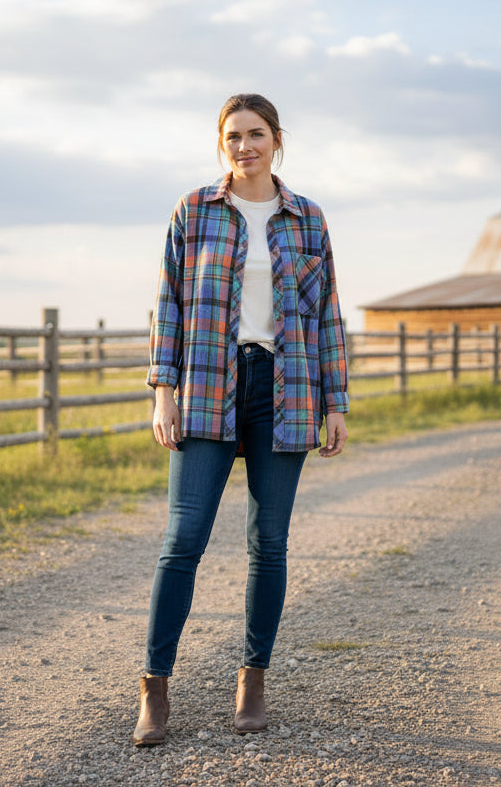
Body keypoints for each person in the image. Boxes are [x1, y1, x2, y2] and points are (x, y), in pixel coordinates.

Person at [135, 93, 350, 746]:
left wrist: (335, 402)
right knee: (183, 541)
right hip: (206, 385)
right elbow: (168, 302)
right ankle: (155, 689)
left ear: (276, 140)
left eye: (256, 134)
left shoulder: (307, 219)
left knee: (269, 545)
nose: (244, 146)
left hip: (285, 390)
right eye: (233, 136)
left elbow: (327, 318)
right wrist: (162, 390)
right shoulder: (194, 211)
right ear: (220, 143)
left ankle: (251, 680)